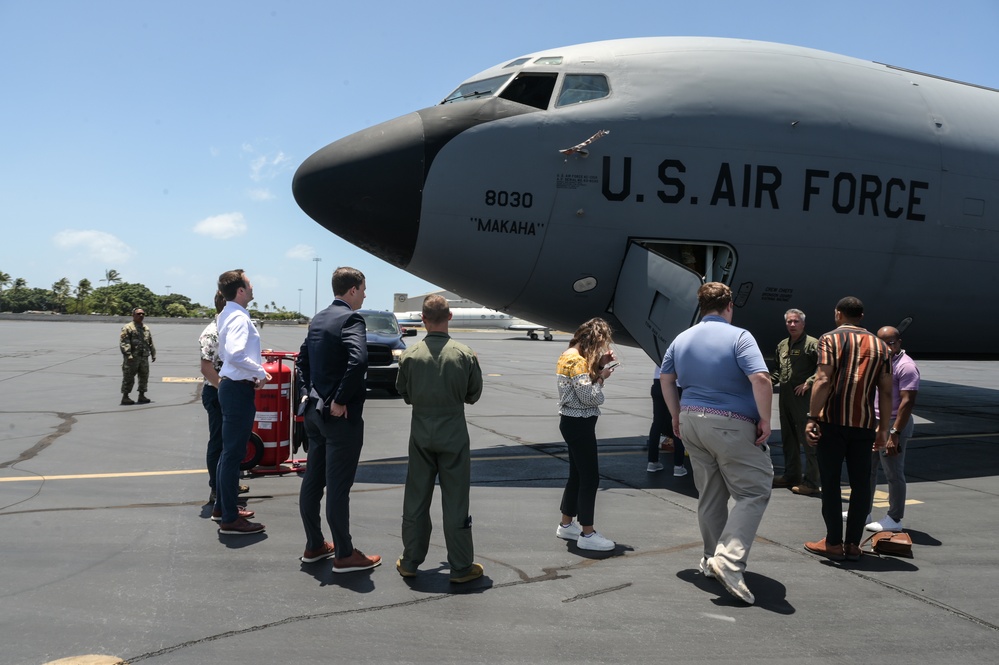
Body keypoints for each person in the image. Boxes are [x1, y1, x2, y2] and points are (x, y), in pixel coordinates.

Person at [660, 282, 773, 605]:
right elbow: (761, 379)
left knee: (710, 494)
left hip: (692, 421)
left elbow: (666, 380)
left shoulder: (682, 338)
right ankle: (729, 559)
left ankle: (712, 558)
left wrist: (676, 415)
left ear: (701, 306)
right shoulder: (739, 336)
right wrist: (765, 419)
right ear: (729, 307)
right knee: (754, 490)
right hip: (730, 423)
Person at [395, 295, 484, 583]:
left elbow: (404, 393)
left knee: (416, 498)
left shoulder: (410, 354)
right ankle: (460, 566)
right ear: (450, 317)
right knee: (456, 500)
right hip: (454, 433)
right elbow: (473, 395)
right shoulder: (464, 354)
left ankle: (410, 560)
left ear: (423, 319)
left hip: (421, 432)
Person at [297, 267, 381, 572]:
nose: (365, 294)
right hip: (337, 418)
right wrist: (341, 399)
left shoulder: (318, 318)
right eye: (364, 288)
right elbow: (358, 360)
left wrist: (308, 395)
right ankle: (344, 554)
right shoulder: (351, 319)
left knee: (312, 482)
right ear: (354, 290)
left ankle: (314, 544)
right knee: (338, 488)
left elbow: (301, 361)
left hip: (313, 414)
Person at [804, 297, 892, 562]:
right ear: (861, 316)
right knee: (861, 485)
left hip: (832, 423)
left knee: (830, 484)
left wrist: (812, 417)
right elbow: (886, 391)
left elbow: (822, 379)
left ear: (838, 314)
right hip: (864, 425)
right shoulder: (880, 345)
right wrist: (883, 429)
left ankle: (832, 543)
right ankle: (853, 544)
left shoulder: (830, 339)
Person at [555, 317, 618, 552]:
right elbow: (589, 397)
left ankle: (566, 523)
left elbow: (579, 385)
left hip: (572, 422)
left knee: (577, 475)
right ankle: (588, 533)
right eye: (600, 345)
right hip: (579, 424)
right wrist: (602, 377)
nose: (600, 349)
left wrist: (599, 365)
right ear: (592, 340)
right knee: (590, 477)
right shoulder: (577, 361)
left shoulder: (568, 355)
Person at [215, 270, 268, 535]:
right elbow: (234, 354)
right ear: (241, 291)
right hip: (237, 390)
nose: (252, 285)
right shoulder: (237, 317)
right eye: (249, 283)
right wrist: (260, 371)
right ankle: (229, 519)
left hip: (232, 386)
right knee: (233, 454)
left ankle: (223, 508)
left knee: (229, 453)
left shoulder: (227, 313)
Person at [865, 326, 919, 533]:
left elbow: (908, 402)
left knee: (893, 473)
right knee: (867, 470)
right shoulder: (881, 362)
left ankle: (895, 518)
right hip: (877, 423)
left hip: (894, 423)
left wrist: (895, 434)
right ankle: (864, 511)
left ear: (899, 343)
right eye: (881, 343)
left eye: (890, 343)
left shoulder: (906, 366)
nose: (885, 347)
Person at [198, 292, 250, 505]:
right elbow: (206, 367)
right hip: (217, 393)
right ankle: (217, 490)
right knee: (219, 443)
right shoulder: (212, 332)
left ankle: (229, 483)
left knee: (233, 443)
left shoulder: (229, 328)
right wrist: (225, 390)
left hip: (229, 392)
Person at [772, 308, 820, 495]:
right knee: (788, 438)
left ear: (803, 323)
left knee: (808, 440)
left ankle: (812, 482)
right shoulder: (782, 345)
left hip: (803, 399)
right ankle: (792, 475)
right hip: (785, 397)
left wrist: (809, 383)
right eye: (789, 322)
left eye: (796, 321)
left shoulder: (812, 344)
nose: (792, 325)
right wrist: (768, 380)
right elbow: (778, 369)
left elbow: (824, 368)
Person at [647, 365, 687, 476]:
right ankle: (678, 465)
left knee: (657, 423)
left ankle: (652, 461)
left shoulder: (660, 349)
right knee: (677, 422)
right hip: (675, 384)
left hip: (658, 382)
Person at [119, 307, 156, 405]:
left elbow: (150, 342)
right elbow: (124, 342)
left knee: (144, 376)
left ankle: (142, 395)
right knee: (129, 377)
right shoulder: (128, 328)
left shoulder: (146, 328)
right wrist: (128, 354)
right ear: (133, 315)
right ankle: (125, 397)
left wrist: (153, 353)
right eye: (138, 314)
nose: (141, 316)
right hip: (132, 358)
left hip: (144, 357)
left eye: (143, 314)